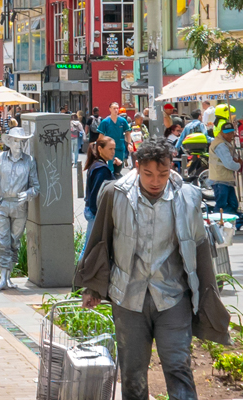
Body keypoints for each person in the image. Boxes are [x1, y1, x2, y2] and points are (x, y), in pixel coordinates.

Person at [76, 140, 231, 400]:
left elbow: (200, 248)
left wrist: (208, 295)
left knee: (178, 366)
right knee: (132, 373)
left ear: (172, 167)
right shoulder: (115, 194)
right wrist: (92, 286)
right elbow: (100, 240)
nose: (155, 181)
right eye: (148, 174)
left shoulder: (188, 197)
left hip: (173, 297)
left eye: (163, 173)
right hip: (127, 298)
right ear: (137, 168)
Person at [0, 127, 41, 292]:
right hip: (1, 205)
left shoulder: (29, 161)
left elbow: (35, 187)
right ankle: (2, 277)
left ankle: (8, 277)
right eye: (16, 141)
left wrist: (27, 194)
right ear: (9, 142)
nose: (19, 145)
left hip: (19, 207)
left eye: (22, 141)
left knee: (14, 242)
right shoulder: (0, 159)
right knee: (2, 241)